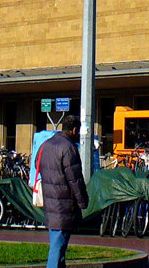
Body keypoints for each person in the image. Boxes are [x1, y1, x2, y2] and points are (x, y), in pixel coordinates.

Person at [39, 115, 89, 268]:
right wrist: (83, 201)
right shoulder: (69, 148)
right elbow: (75, 179)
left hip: (50, 199)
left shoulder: (46, 144)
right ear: (74, 130)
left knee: (58, 244)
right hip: (64, 203)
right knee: (58, 246)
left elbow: (37, 164)